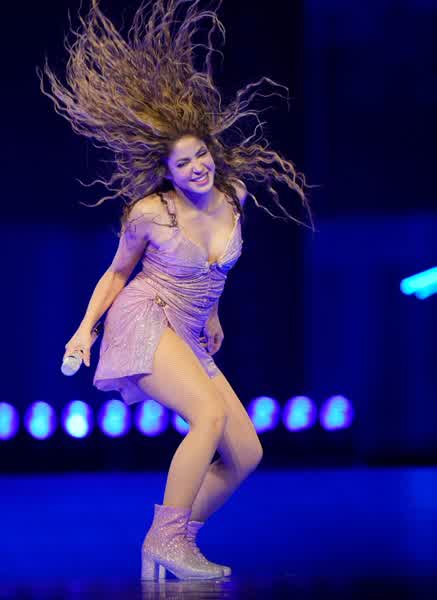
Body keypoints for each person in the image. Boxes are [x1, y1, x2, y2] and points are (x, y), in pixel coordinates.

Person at [38, 0, 315, 581]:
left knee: (247, 453)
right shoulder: (150, 214)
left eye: (201, 155)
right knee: (206, 416)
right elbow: (117, 274)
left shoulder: (234, 196)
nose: (197, 167)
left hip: (189, 326)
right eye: (183, 162)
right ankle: (169, 540)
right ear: (166, 171)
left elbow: (215, 271)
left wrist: (212, 314)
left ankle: (170, 539)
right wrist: (84, 331)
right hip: (145, 316)